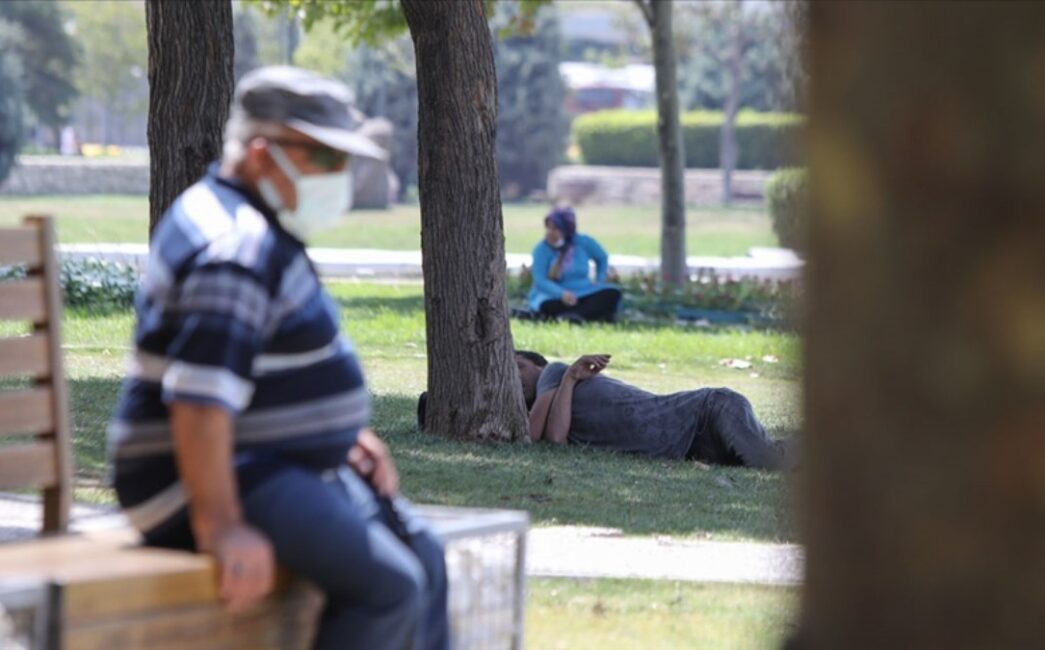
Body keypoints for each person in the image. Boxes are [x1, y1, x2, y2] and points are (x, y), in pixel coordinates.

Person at [107, 66, 448, 650]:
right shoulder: (235, 251)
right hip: (197, 482)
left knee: (426, 557)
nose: (340, 177)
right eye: (326, 159)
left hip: (265, 461)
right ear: (264, 154)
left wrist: (336, 435)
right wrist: (222, 526)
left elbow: (260, 368)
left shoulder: (252, 221)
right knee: (388, 590)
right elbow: (197, 401)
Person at [514, 350, 794, 470]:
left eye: (520, 366)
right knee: (772, 458)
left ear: (539, 363)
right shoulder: (565, 384)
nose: (516, 377)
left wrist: (568, 376)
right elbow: (553, 440)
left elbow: (536, 433)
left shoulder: (553, 370)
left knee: (769, 461)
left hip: (707, 411)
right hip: (693, 445)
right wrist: (572, 379)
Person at [527, 207, 621, 323]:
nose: (550, 232)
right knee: (547, 306)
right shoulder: (541, 250)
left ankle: (573, 316)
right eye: (548, 228)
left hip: (584, 291)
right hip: (553, 296)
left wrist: (599, 280)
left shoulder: (583, 242)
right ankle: (580, 316)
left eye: (555, 228)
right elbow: (540, 280)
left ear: (566, 230)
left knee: (612, 293)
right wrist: (562, 294)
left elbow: (602, 258)